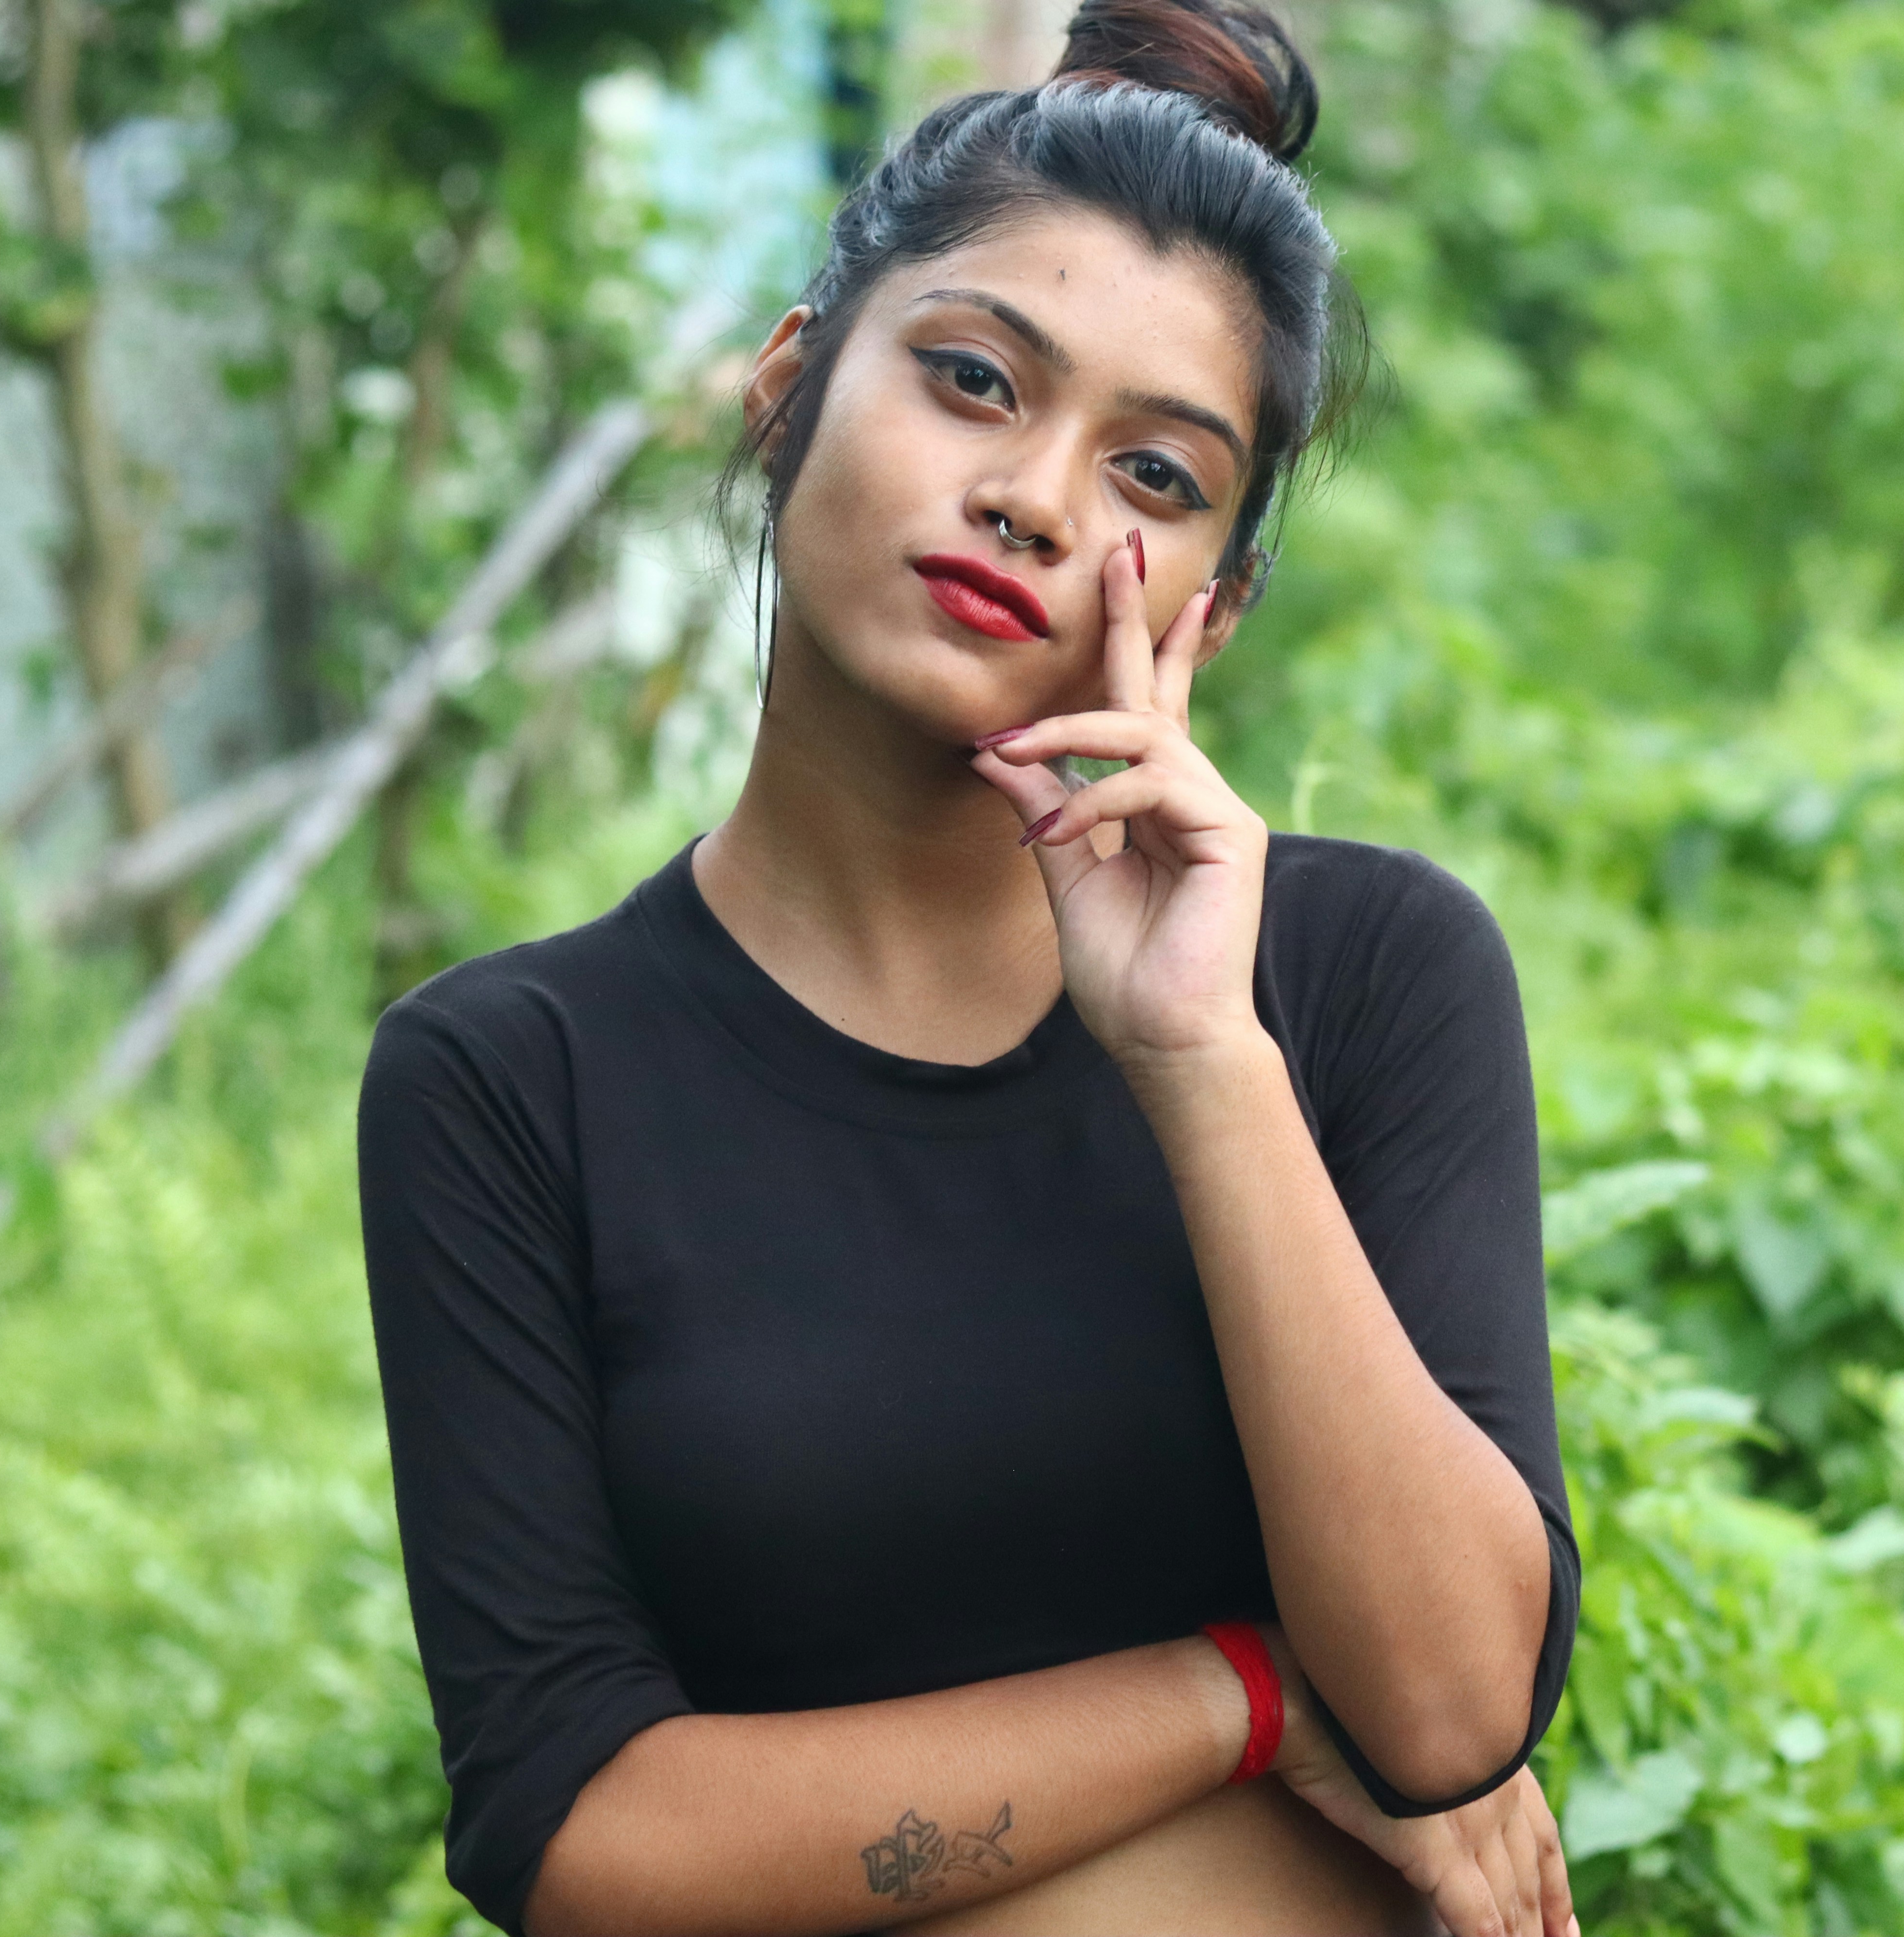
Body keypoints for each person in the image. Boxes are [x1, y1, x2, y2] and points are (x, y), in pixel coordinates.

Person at [354, 3, 1581, 1933]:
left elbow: (1448, 1710)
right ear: (787, 387)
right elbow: (582, 1840)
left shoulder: (1362, 975)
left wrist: (1199, 1058)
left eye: (1156, 477)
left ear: (1213, 611)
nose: (1038, 498)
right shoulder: (513, 1078)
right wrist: (1242, 1698)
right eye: (975, 381)